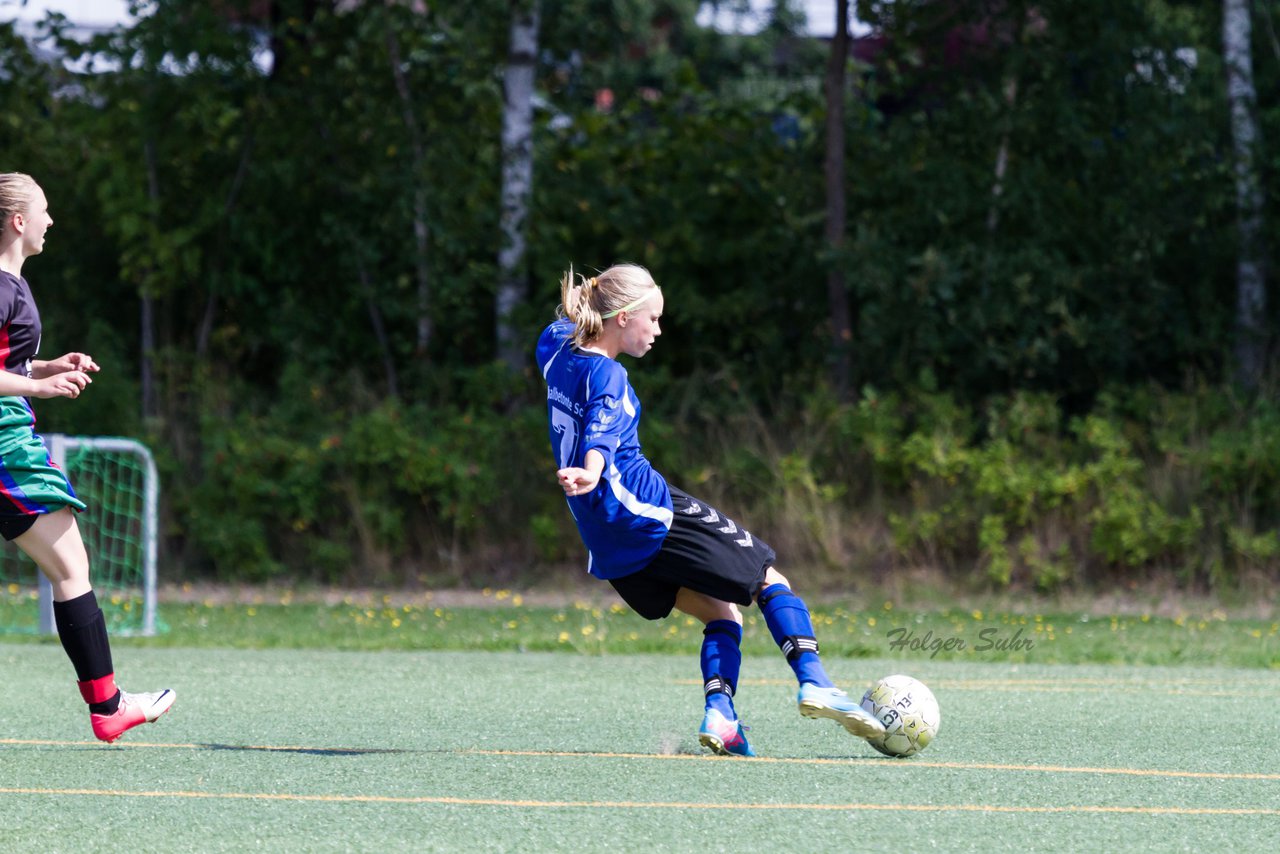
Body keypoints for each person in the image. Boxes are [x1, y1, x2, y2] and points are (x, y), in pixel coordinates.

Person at [535, 263, 884, 756]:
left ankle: (722, 718)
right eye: (651, 319)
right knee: (769, 578)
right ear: (622, 318)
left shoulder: (554, 351)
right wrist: (591, 470)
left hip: (608, 547)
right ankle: (815, 682)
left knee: (724, 617)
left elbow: (565, 342)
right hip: (650, 515)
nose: (657, 331)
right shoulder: (608, 373)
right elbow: (600, 427)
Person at [0, 172, 175, 743]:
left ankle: (109, 705)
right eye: (44, 211)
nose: (52, 221)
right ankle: (108, 707)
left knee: (70, 566)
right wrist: (40, 390)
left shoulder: (12, 286)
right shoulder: (1, 286)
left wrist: (44, 367)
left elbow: (8, 360)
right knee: (72, 568)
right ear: (18, 221)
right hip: (5, 451)